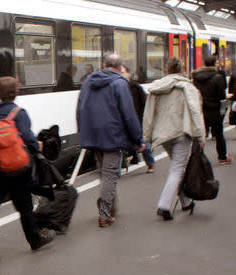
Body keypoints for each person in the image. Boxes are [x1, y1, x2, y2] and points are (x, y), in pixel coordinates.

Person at [0, 76, 55, 265]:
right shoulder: (19, 113)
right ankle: (35, 239)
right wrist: (37, 146)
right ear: (16, 92)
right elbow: (28, 139)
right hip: (18, 169)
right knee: (25, 207)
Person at [76, 53, 145, 228]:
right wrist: (138, 139)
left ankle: (111, 207)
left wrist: (83, 132)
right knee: (109, 175)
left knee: (103, 173)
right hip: (113, 135)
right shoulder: (119, 83)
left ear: (104, 64)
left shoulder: (88, 82)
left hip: (93, 134)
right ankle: (105, 215)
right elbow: (129, 114)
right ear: (120, 67)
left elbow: (80, 109)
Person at [143, 57, 206, 220]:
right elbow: (195, 111)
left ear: (167, 70)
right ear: (182, 70)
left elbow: (149, 114)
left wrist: (148, 135)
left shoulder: (158, 87)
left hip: (164, 134)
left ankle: (186, 201)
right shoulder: (188, 87)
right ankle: (164, 205)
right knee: (177, 168)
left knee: (176, 168)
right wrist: (200, 135)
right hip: (181, 133)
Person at [192, 55, 232, 165]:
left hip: (200, 110)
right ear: (214, 64)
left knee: (200, 135)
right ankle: (222, 157)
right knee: (219, 135)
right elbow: (221, 96)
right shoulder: (218, 77)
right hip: (214, 109)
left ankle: (198, 159)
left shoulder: (196, 77)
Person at [120, 65, 155, 173]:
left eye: (123, 72)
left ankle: (150, 164)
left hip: (137, 121)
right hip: (122, 122)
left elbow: (145, 104)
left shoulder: (136, 88)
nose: (121, 75)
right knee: (119, 146)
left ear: (128, 74)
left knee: (145, 146)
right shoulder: (116, 88)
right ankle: (117, 170)